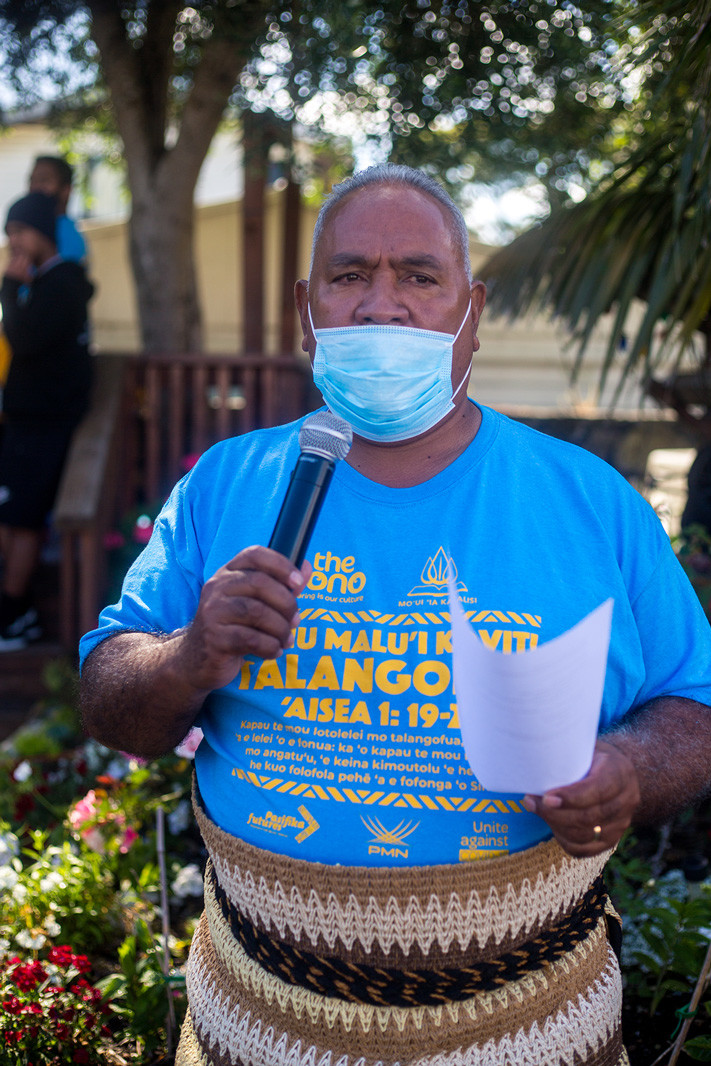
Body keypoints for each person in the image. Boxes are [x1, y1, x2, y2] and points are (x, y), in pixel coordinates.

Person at [80, 165, 711, 1066]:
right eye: (349, 276)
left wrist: (629, 769)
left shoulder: (589, 501)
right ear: (308, 307)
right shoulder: (227, 484)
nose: (383, 306)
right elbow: (111, 700)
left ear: (471, 310)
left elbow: (696, 702)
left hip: (528, 1024)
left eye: (419, 276)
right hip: (259, 1020)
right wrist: (186, 657)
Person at [0, 191, 94, 647]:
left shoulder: (64, 281)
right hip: (24, 421)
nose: (14, 241)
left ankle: (14, 613)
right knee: (13, 515)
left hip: (44, 421)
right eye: (9, 233)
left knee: (23, 518)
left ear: (40, 232)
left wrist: (6, 288)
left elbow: (27, 338)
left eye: (19, 231)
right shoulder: (43, 281)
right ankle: (14, 611)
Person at [29, 155, 87, 265]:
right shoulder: (37, 230)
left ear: (66, 189)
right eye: (32, 180)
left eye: (44, 180)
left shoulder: (68, 239)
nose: (34, 187)